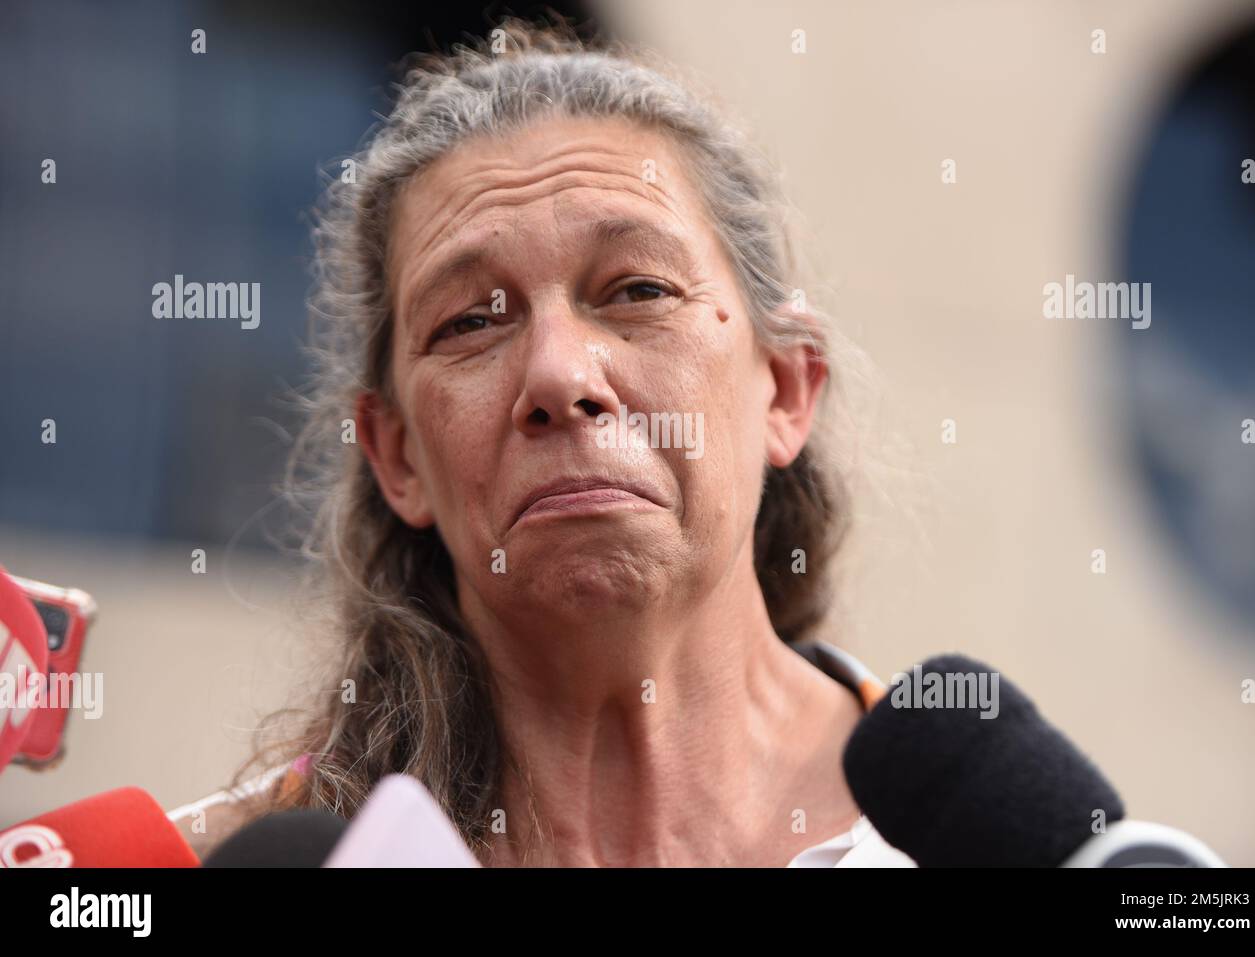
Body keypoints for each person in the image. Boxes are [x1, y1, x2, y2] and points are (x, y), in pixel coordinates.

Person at [175, 19, 913, 868]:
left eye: (637, 289)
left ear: (785, 388)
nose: (560, 376)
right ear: (398, 456)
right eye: (470, 322)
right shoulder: (200, 869)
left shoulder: (986, 834)